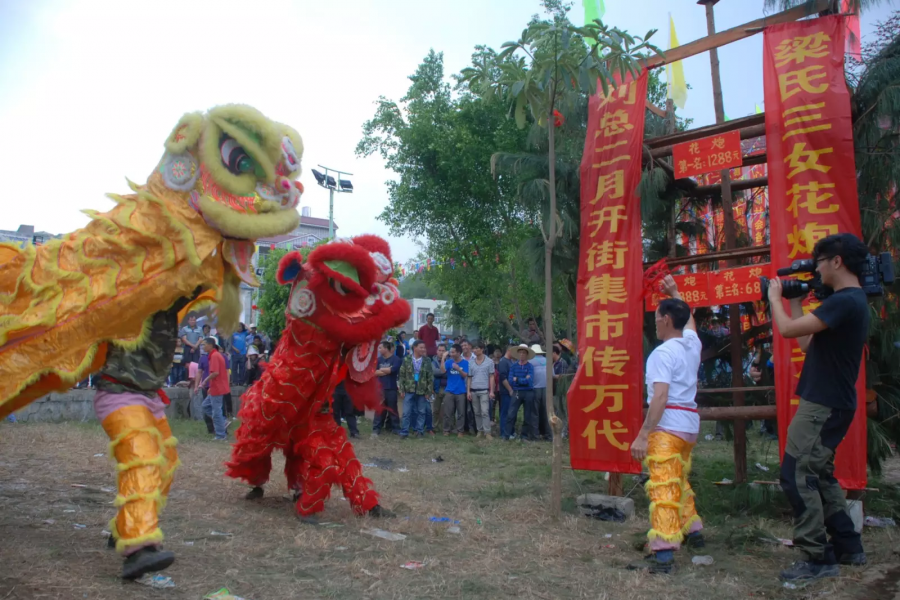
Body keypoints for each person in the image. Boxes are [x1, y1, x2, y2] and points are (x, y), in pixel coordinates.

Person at [768, 233, 869, 581]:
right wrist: (795, 301)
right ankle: (848, 546)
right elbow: (808, 342)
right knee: (819, 475)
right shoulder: (849, 302)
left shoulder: (846, 300)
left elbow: (784, 331)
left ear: (836, 261)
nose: (817, 269)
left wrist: (774, 298)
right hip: (830, 403)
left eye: (820, 262)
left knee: (797, 476)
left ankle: (816, 557)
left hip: (822, 405)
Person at [628, 275, 703, 575]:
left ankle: (663, 553)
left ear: (667, 320)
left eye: (658, 318)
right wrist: (676, 293)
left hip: (667, 426)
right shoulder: (690, 345)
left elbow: (659, 396)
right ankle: (694, 531)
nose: (655, 323)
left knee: (662, 487)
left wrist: (644, 433)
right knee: (678, 480)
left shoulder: (661, 353)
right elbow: (691, 323)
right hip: (688, 426)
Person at [397, 340, 434, 438]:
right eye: (421, 347)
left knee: (421, 412)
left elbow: (430, 377)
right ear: (415, 347)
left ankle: (419, 431)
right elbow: (401, 375)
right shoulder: (406, 359)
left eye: (424, 348)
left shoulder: (427, 360)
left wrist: (429, 391)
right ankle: (404, 431)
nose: (423, 349)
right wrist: (401, 389)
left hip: (422, 390)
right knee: (406, 412)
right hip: (409, 389)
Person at [199, 337, 229, 440]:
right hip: (215, 387)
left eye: (204, 344)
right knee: (205, 406)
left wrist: (205, 380)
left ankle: (221, 435)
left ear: (210, 345)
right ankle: (223, 422)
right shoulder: (214, 355)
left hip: (218, 388)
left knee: (216, 412)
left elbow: (215, 373)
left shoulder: (215, 356)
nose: (203, 346)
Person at [507, 344, 536, 441]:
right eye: (520, 352)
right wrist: (523, 379)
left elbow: (530, 381)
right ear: (518, 354)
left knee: (527, 415)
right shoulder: (514, 366)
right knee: (511, 413)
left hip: (528, 392)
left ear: (527, 355)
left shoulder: (530, 366)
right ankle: (508, 434)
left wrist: (517, 379)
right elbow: (510, 380)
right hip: (517, 391)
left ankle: (524, 435)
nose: (522, 354)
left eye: (524, 353)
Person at [373, 341, 402, 437]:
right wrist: (386, 370)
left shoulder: (396, 359)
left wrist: (383, 370)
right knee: (379, 410)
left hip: (391, 388)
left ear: (386, 348)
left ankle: (396, 428)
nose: (379, 349)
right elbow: (374, 372)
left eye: (380, 347)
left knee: (392, 409)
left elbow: (393, 370)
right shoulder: (378, 360)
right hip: (379, 389)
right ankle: (376, 429)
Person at [467, 341, 494, 440]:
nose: (475, 350)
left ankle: (487, 432)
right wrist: (468, 391)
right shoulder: (471, 362)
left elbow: (491, 376)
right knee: (476, 412)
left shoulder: (489, 361)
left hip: (484, 390)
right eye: (473, 348)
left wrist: (491, 391)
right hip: (473, 390)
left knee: (485, 411)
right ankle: (480, 430)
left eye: (477, 348)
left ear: (482, 349)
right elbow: (469, 377)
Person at [442, 344, 469, 437]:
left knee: (461, 413)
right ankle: (446, 430)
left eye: (453, 352)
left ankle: (460, 431)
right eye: (450, 352)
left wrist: (458, 369)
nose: (451, 354)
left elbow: (465, 375)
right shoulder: (449, 362)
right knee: (447, 412)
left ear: (458, 352)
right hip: (449, 390)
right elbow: (442, 370)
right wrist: (443, 359)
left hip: (461, 391)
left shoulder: (465, 363)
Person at [529, 344, 551, 441]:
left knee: (534, 413)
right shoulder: (548, 361)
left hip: (535, 389)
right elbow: (553, 375)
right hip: (546, 389)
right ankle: (549, 435)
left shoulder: (530, 362)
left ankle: (535, 435)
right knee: (546, 412)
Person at [497, 345, 515, 440]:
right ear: (509, 350)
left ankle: (510, 431)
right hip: (505, 392)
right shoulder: (503, 362)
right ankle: (504, 432)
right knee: (505, 412)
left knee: (510, 412)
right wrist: (510, 390)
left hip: (510, 391)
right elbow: (503, 378)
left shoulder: (510, 361)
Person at [460, 340, 476, 434]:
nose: (464, 347)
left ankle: (474, 427)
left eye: (465, 345)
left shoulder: (475, 357)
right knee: (464, 409)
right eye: (462, 346)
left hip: (474, 386)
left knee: (474, 409)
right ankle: (465, 428)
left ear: (470, 346)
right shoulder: (459, 357)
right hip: (462, 387)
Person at [552, 345, 568, 437]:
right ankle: (557, 429)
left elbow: (562, 377)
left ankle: (564, 431)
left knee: (562, 410)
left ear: (554, 353)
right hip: (554, 390)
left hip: (561, 391)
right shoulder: (553, 363)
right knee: (555, 411)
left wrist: (553, 376)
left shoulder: (562, 363)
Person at [432, 343, 448, 427]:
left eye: (443, 350)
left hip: (448, 388)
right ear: (436, 351)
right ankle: (434, 426)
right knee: (436, 409)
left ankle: (447, 427)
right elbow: (434, 372)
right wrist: (444, 371)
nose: (441, 352)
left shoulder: (450, 360)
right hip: (437, 387)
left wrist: (441, 372)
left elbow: (450, 374)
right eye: (439, 350)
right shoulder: (433, 361)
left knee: (448, 409)